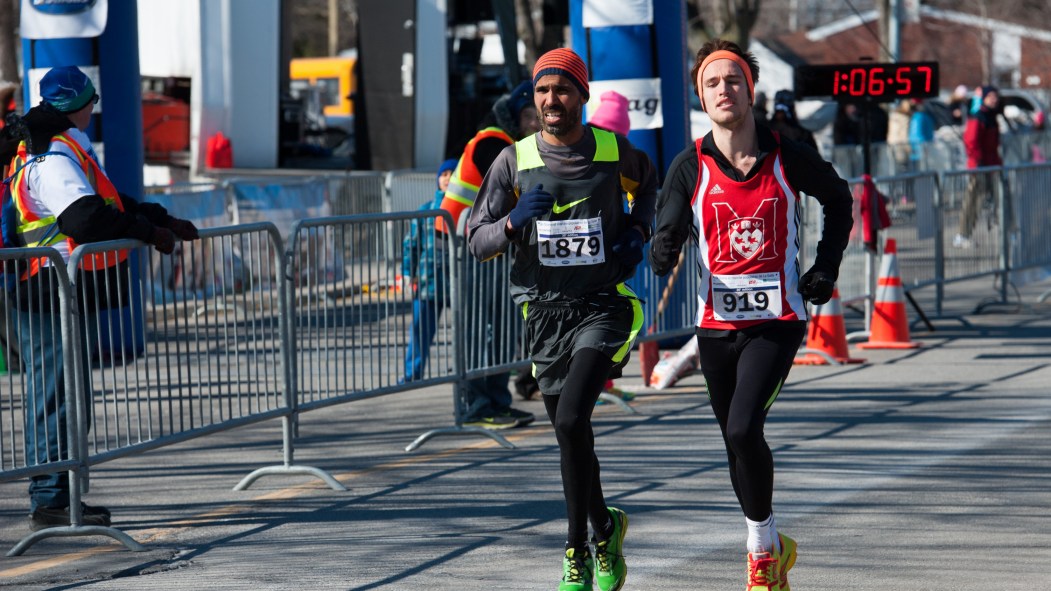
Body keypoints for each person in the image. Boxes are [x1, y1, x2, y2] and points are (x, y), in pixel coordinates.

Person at [649, 39, 852, 591]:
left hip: (776, 321)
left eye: (733, 80)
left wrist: (824, 268)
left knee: (743, 427)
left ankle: (760, 553)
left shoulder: (787, 154)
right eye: (712, 83)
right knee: (734, 441)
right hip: (715, 327)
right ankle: (772, 544)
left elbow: (839, 199)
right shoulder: (689, 165)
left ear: (751, 90)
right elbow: (667, 228)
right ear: (701, 97)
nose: (724, 90)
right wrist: (663, 248)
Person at [467, 47, 658, 591]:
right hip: (545, 314)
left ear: (582, 96)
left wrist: (638, 231)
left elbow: (649, 186)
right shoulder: (513, 160)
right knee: (570, 436)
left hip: (602, 304)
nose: (552, 99)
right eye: (543, 90)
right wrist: (510, 223)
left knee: (572, 421)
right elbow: (476, 240)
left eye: (563, 89)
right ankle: (606, 527)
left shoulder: (611, 150)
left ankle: (576, 548)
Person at [0, 66, 199, 531]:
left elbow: (107, 200)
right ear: (82, 104)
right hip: (45, 288)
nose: (94, 108)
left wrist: (158, 219)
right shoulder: (51, 155)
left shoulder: (56, 145)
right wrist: (146, 231)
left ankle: (60, 497)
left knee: (66, 393)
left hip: (49, 286)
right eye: (93, 101)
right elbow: (85, 220)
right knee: (57, 395)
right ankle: (50, 499)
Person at [437, 80, 541, 428]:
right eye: (528, 116)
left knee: (502, 327)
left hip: (490, 245)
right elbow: (517, 188)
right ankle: (475, 405)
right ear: (513, 116)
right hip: (464, 245)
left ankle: (497, 401)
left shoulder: (512, 144)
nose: (535, 122)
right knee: (475, 327)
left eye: (538, 116)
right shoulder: (493, 141)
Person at [586, 90, 637, 405]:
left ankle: (601, 382)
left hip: (607, 251)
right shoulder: (595, 157)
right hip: (593, 255)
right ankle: (592, 384)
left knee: (607, 320)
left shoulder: (615, 157)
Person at [401, 158, 458, 382]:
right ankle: (412, 375)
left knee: (467, 333)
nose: (448, 178)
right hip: (429, 281)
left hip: (458, 282)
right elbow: (411, 244)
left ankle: (467, 374)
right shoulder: (425, 210)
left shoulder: (467, 210)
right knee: (419, 332)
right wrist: (408, 272)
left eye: (452, 173)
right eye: (444, 174)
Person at [956, 85, 1001, 248]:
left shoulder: (992, 117)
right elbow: (970, 141)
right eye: (991, 97)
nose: (994, 100)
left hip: (993, 166)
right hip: (980, 167)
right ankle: (963, 235)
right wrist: (978, 162)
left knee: (1001, 199)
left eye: (995, 97)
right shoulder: (978, 117)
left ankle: (1006, 233)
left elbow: (994, 146)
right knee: (973, 201)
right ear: (984, 99)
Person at [907, 99, 936, 170]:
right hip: (925, 149)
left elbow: (916, 135)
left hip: (919, 151)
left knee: (920, 171)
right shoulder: (927, 116)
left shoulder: (918, 117)